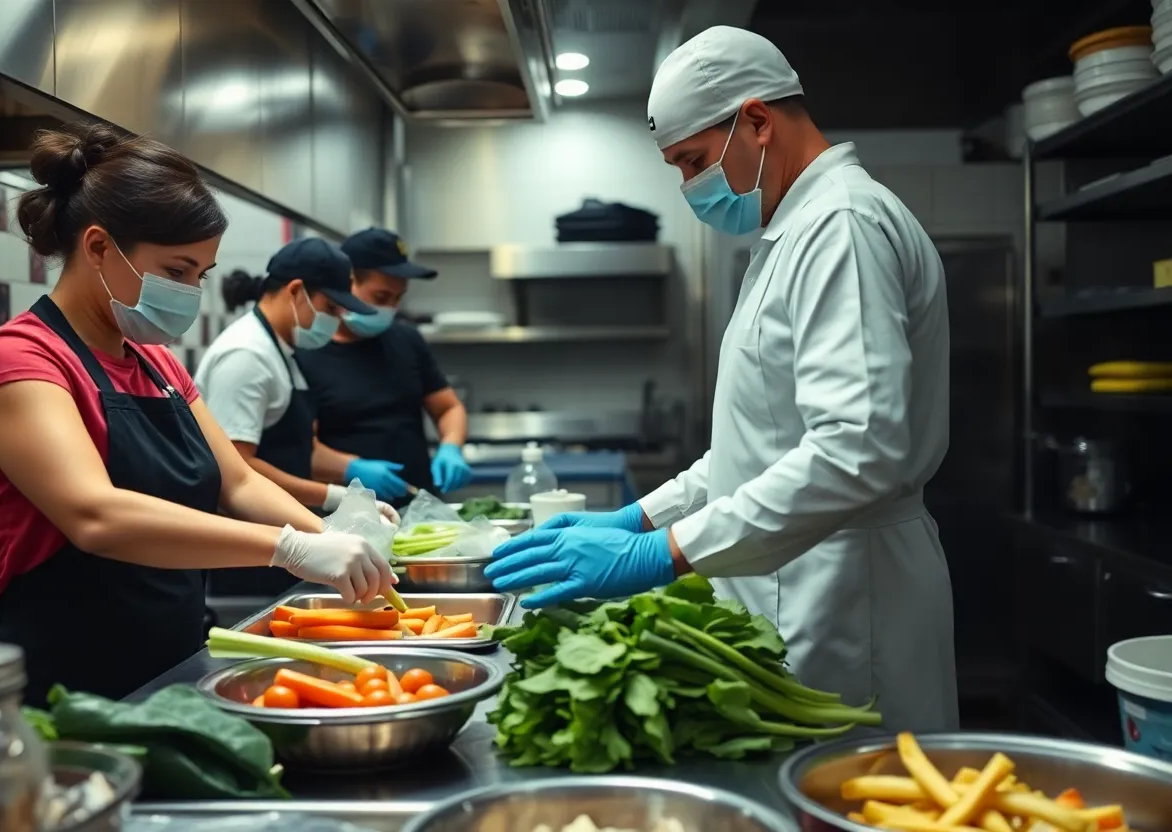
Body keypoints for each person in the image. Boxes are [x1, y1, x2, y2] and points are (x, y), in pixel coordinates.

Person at [485, 26, 956, 733]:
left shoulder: (842, 227)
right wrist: (640, 518)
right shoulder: (791, 234)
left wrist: (663, 552)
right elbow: (761, 444)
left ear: (757, 122)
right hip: (800, 582)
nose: (688, 187)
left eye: (693, 161)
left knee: (857, 797)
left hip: (848, 598)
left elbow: (855, 448)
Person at [0, 123, 396, 706]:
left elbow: (238, 480)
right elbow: (97, 515)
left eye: (200, 275)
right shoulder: (19, 360)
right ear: (97, 248)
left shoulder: (157, 361)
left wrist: (337, 538)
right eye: (176, 271)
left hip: (174, 666)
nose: (190, 291)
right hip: (68, 690)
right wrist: (289, 548)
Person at [194, 239, 399, 597]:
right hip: (255, 554)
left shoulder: (282, 351)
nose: (335, 321)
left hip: (286, 541)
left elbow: (298, 446)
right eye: (331, 308)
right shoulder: (246, 356)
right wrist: (332, 499)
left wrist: (352, 487)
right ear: (295, 291)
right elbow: (238, 469)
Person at [296, 227, 472, 506]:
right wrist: (350, 469)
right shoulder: (306, 351)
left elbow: (448, 407)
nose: (389, 308)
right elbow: (299, 449)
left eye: (397, 298)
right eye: (381, 297)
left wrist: (451, 446)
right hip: (345, 516)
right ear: (347, 283)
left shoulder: (407, 340)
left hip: (419, 509)